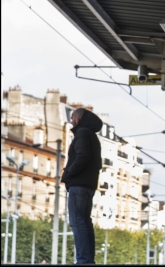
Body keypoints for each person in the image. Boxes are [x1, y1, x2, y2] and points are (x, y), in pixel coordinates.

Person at [60, 108, 102, 264]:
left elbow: (82, 157)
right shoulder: (91, 135)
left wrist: (68, 174)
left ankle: (84, 260)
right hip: (88, 185)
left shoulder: (82, 133)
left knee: (78, 222)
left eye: (72, 118)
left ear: (77, 119)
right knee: (85, 222)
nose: (71, 120)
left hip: (79, 185)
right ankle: (87, 259)